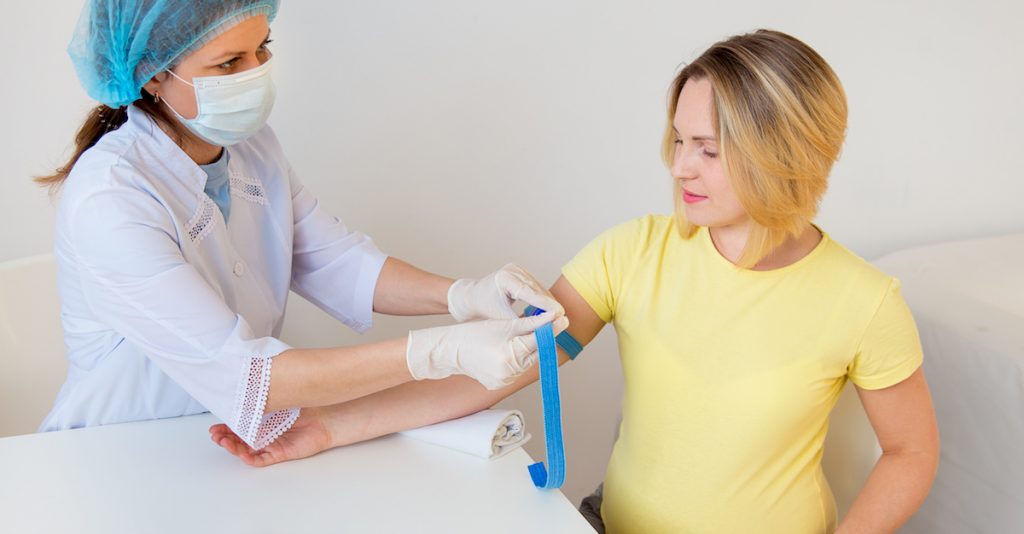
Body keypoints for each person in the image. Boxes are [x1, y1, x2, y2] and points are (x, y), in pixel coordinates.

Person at [211, 29, 939, 533]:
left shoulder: (864, 301)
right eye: (680, 141)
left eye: (709, 150)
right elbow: (493, 374)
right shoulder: (634, 253)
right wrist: (330, 427)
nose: (680, 166)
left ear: (786, 153)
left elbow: (911, 452)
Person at [37, 0, 568, 452]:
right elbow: (251, 377)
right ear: (153, 73)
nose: (254, 72)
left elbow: (335, 260)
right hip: (114, 452)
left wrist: (461, 295)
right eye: (228, 64)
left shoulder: (252, 146)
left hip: (226, 447)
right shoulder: (110, 199)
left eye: (262, 48)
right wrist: (440, 352)